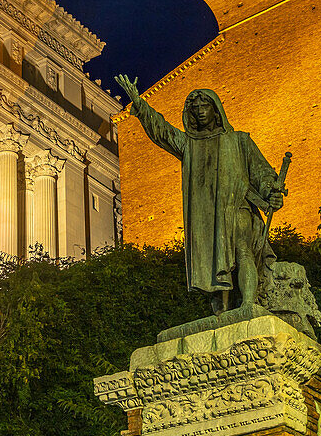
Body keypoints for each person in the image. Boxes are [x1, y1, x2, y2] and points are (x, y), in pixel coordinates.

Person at [115, 75, 283, 314]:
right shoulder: (189, 145)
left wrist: (271, 193)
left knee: (243, 250)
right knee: (218, 261)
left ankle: (248, 306)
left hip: (237, 205)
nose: (200, 112)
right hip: (207, 215)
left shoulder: (239, 140)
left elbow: (263, 173)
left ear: (216, 110)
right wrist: (140, 105)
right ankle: (223, 311)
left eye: (205, 106)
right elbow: (162, 132)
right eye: (195, 109)